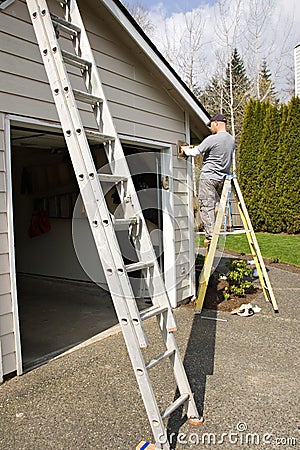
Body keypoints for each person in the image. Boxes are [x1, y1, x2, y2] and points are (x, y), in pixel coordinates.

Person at [180, 113, 235, 245]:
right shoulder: (231, 140)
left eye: (211, 125)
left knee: (206, 206)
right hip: (222, 179)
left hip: (209, 178)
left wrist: (184, 149)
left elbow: (194, 152)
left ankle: (211, 236)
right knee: (214, 205)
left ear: (216, 123)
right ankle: (215, 230)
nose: (210, 128)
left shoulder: (213, 139)